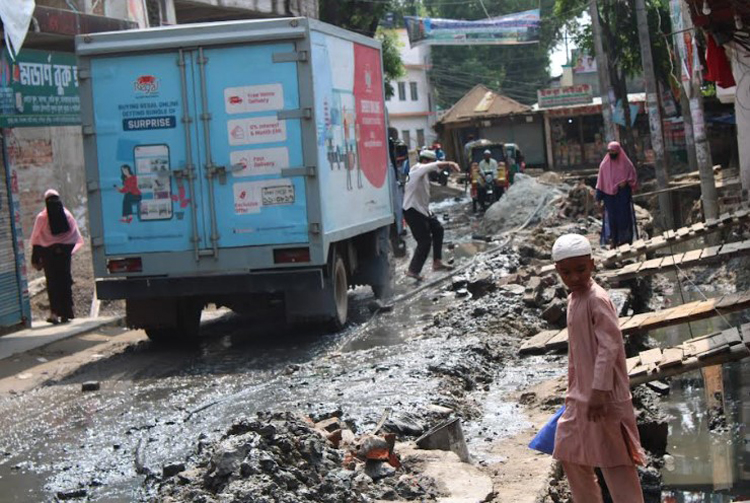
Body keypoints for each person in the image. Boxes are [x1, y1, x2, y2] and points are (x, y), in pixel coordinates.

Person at [551, 234, 646, 503]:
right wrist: (574, 391)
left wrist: (599, 391)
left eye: (580, 269)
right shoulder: (574, 299)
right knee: (568, 451)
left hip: (604, 396)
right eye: (566, 272)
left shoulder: (597, 299)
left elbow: (610, 347)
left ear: (592, 265)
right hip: (580, 396)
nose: (574, 277)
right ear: (558, 271)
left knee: (616, 463)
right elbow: (577, 353)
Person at [403, 149, 460, 280]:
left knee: (438, 229)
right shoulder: (418, 168)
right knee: (424, 241)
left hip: (422, 210)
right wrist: (450, 163)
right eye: (433, 162)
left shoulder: (422, 174)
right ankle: (413, 270)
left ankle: (437, 262)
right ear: (426, 161)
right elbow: (432, 166)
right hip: (412, 210)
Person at [30, 189, 84, 324]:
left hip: (48, 255)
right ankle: (67, 313)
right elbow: (74, 236)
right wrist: (63, 249)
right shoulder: (68, 216)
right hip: (64, 255)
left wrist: (35, 257)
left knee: (52, 283)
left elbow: (36, 239)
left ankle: (54, 314)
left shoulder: (42, 218)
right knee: (65, 281)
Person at [595, 142, 638, 247]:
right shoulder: (604, 166)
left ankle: (625, 240)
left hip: (622, 196)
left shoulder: (626, 163)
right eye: (609, 151)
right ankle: (614, 240)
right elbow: (601, 183)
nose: (611, 153)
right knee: (612, 219)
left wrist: (626, 182)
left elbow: (632, 176)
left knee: (624, 218)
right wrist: (598, 199)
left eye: (613, 151)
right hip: (609, 197)